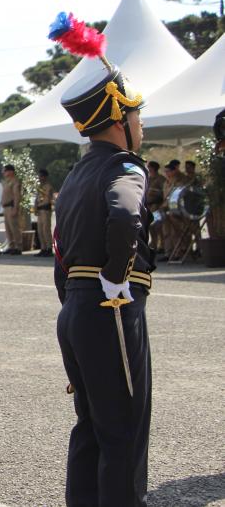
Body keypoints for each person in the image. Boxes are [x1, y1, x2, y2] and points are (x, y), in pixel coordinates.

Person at [54, 59, 153, 507]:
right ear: (118, 119)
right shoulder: (125, 166)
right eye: (135, 113)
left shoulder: (76, 176)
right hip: (109, 308)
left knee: (91, 427)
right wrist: (115, 279)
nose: (141, 121)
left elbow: (59, 249)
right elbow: (126, 214)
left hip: (76, 308)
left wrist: (76, 299)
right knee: (123, 433)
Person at [159, 160, 190, 261]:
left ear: (174, 171)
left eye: (168, 171)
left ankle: (179, 252)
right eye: (165, 171)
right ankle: (168, 253)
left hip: (177, 211)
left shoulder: (180, 181)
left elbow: (179, 196)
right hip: (165, 210)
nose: (166, 173)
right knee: (166, 232)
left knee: (176, 232)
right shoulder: (166, 182)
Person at [0, 165, 23, 255]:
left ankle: (18, 246)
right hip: (6, 208)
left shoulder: (15, 182)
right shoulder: (6, 182)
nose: (4, 173)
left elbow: (17, 196)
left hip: (11, 207)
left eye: (5, 171)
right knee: (8, 228)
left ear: (11, 172)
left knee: (14, 228)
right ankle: (11, 246)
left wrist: (15, 208)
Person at [144, 161, 165, 252]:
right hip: (147, 205)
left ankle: (162, 245)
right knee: (150, 226)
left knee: (158, 226)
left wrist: (154, 191)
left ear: (153, 168)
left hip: (157, 205)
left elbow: (164, 192)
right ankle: (153, 244)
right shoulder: (147, 178)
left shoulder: (161, 179)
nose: (147, 168)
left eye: (149, 167)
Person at [35, 169, 55, 257]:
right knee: (40, 230)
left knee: (46, 229)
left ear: (45, 177)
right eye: (39, 176)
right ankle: (43, 248)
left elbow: (47, 199)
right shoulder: (40, 187)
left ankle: (49, 248)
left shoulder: (48, 187)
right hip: (40, 210)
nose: (39, 178)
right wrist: (35, 207)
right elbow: (37, 198)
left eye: (41, 176)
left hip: (45, 210)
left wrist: (40, 205)